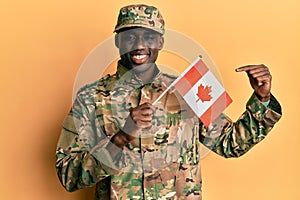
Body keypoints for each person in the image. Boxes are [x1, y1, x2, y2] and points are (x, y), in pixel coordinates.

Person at [56, 4, 282, 200]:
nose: (139, 44)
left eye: (149, 36)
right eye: (130, 36)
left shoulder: (190, 90)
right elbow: (68, 175)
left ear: (161, 41)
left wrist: (262, 99)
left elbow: (231, 144)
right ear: (118, 41)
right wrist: (122, 137)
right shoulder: (91, 98)